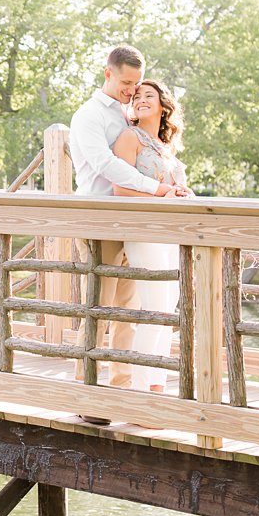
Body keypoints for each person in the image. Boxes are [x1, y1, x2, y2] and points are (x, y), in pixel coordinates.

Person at [67, 45, 181, 390]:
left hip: (130, 225)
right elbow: (107, 165)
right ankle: (85, 391)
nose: (132, 90)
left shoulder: (126, 113)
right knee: (98, 308)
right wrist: (158, 190)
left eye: (136, 83)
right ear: (108, 73)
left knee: (128, 311)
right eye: (126, 82)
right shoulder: (89, 115)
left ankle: (121, 387)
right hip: (98, 219)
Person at [111, 80, 193, 392]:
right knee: (154, 307)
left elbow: (172, 188)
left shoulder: (166, 147)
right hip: (143, 230)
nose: (142, 99)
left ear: (163, 106)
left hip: (169, 232)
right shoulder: (129, 138)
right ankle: (141, 388)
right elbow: (120, 188)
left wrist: (183, 194)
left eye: (150, 96)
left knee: (169, 306)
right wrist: (163, 195)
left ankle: (157, 384)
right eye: (137, 96)